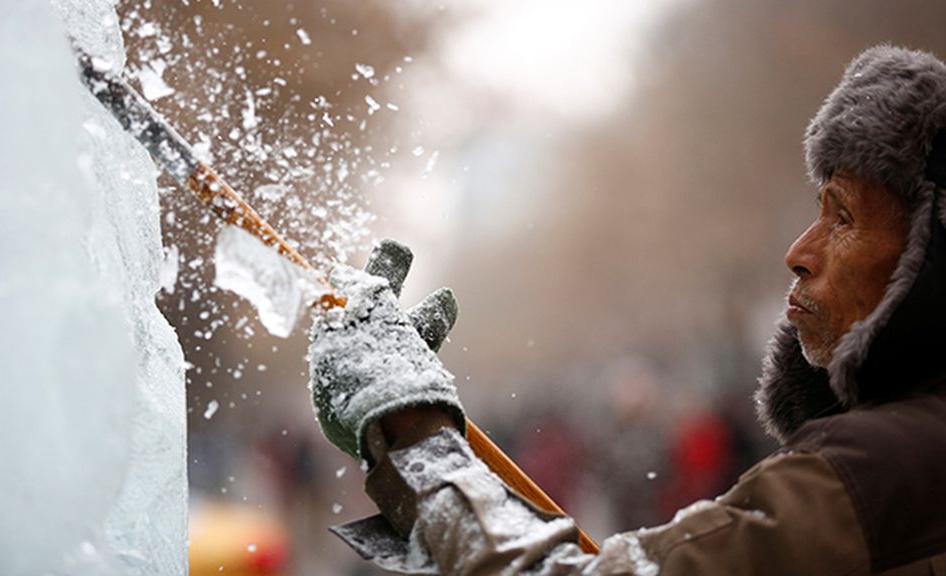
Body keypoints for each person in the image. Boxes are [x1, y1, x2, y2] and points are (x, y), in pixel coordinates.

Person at [306, 45, 946, 575]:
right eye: (817, 209)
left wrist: (412, 432)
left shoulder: (889, 470)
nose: (799, 253)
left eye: (844, 216)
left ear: (929, 260)